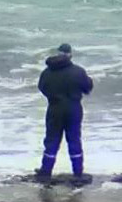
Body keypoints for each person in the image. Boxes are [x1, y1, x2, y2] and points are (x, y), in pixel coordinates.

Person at [37, 43, 94, 179]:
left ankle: (45, 172)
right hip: (73, 108)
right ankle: (78, 173)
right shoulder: (78, 71)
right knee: (74, 139)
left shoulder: (47, 72)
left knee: (52, 140)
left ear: (58, 53)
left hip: (54, 108)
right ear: (70, 54)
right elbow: (87, 88)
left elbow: (42, 87)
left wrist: (53, 97)